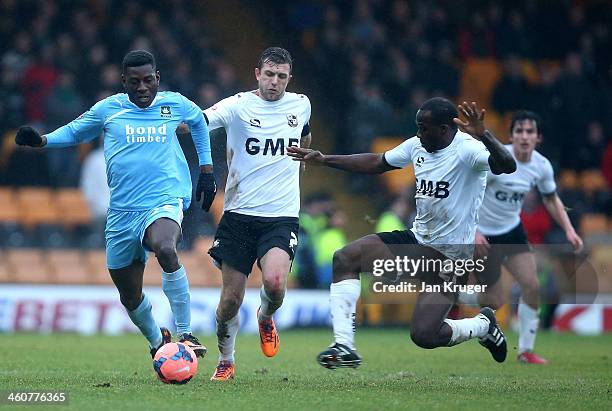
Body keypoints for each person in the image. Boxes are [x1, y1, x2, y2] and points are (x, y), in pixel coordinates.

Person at [15, 50, 216, 359]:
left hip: (163, 199)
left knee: (165, 247)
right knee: (130, 295)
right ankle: (156, 342)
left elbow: (199, 123)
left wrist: (206, 169)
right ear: (124, 81)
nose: (142, 87)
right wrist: (42, 141)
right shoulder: (108, 110)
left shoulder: (174, 103)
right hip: (122, 212)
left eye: (148, 81)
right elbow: (75, 131)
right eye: (135, 82)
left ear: (157, 79)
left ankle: (185, 332)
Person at [287, 98, 517, 368]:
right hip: (417, 241)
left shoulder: (468, 150)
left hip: (451, 256)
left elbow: (507, 165)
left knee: (424, 335)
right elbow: (377, 162)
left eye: (424, 128)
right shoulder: (418, 145)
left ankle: (481, 325)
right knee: (345, 258)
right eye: (418, 127)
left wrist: (485, 135)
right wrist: (325, 160)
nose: (418, 133)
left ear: (444, 129)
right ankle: (344, 346)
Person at [203, 47, 312, 381]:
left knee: (276, 284)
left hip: (281, 215)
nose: (274, 82)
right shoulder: (237, 106)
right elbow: (198, 122)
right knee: (230, 301)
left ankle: (266, 315)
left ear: (289, 79)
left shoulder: (301, 104)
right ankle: (226, 359)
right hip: (238, 215)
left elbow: (305, 136)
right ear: (257, 74)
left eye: (281, 76)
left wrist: (298, 170)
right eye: (269, 74)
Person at [474, 110, 583, 364]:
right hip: (482, 233)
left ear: (538, 137)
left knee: (532, 285)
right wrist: (474, 231)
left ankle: (525, 351)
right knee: (494, 300)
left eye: (529, 132)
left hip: (512, 231)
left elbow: (550, 198)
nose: (524, 136)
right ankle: (452, 294)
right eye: (519, 131)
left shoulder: (542, 166)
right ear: (511, 136)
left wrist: (569, 229)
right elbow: (471, 193)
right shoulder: (497, 158)